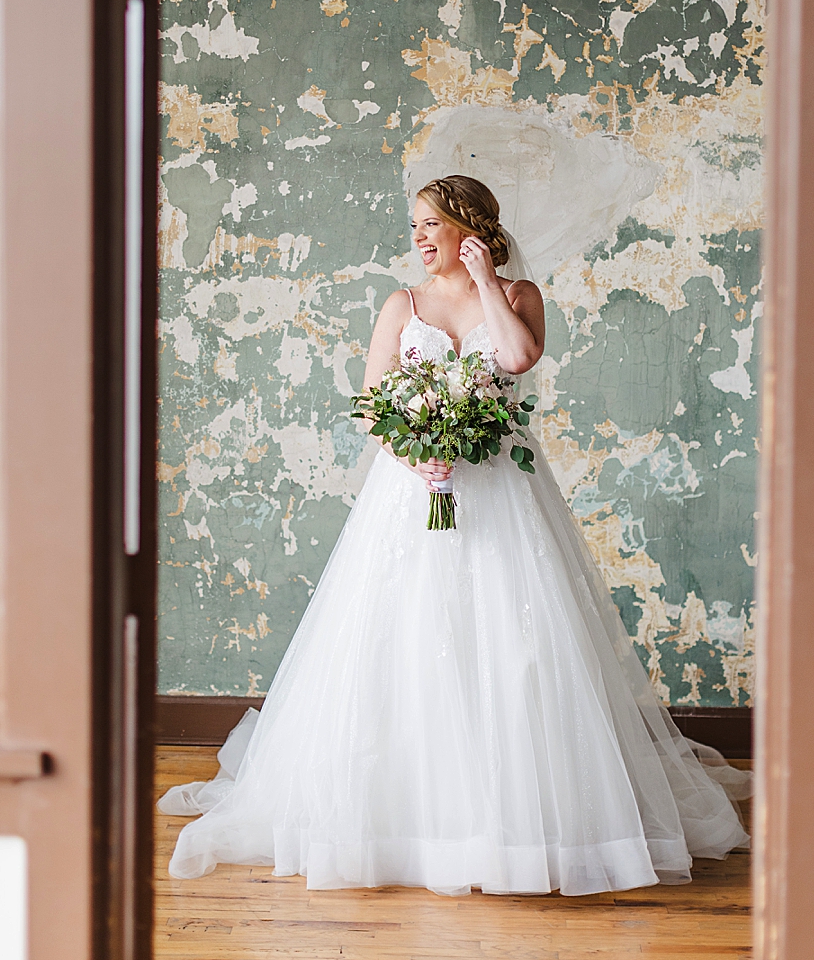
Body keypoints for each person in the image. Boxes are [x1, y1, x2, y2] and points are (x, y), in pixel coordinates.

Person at [159, 174, 750, 897]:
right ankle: (408, 816)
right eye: (414, 226)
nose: (417, 238)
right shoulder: (401, 305)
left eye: (429, 225)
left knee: (518, 640)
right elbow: (373, 401)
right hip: (413, 491)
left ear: (467, 229)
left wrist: (484, 281)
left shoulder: (521, 296)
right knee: (402, 635)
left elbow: (517, 360)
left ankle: (521, 819)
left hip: (502, 485)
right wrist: (417, 455)